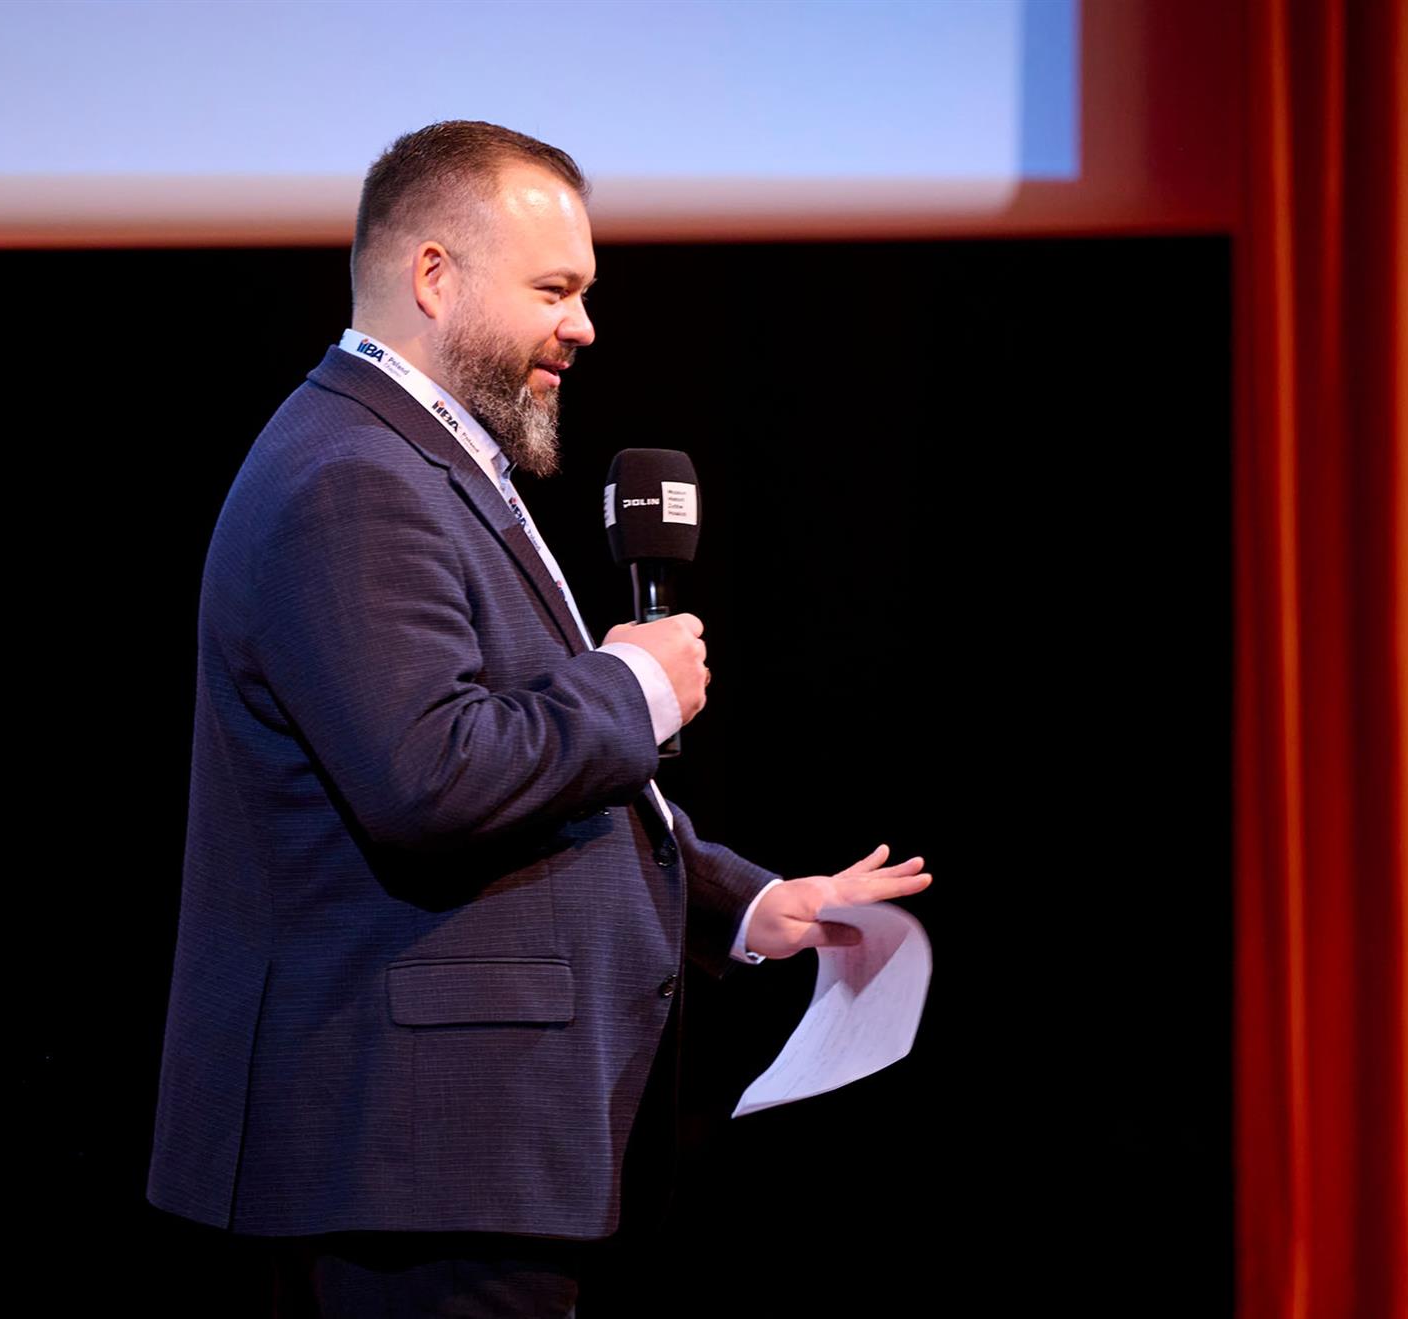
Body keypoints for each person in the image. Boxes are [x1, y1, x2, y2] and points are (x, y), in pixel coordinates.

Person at [146, 120, 932, 1315]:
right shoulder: (351, 474)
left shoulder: (420, 458)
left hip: (449, 1160)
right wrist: (632, 687)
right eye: (555, 290)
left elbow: (539, 779)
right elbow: (430, 774)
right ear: (433, 275)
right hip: (409, 1156)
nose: (586, 326)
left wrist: (746, 902)